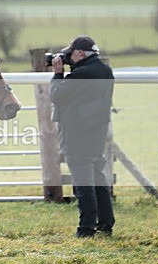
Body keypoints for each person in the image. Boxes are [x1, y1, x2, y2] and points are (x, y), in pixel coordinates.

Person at [49, 35, 116, 237]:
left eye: (70, 54)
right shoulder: (105, 70)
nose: (68, 57)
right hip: (96, 133)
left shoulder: (83, 74)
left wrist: (58, 73)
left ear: (79, 53)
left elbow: (56, 95)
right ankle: (105, 224)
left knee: (84, 185)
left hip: (78, 136)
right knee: (99, 182)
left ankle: (86, 229)